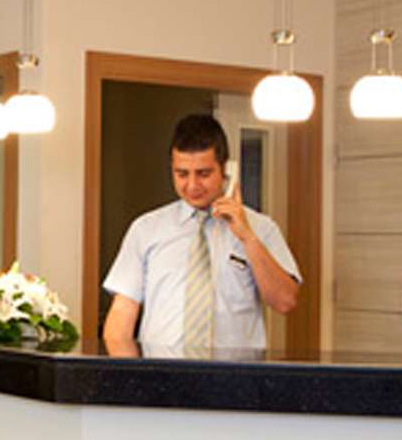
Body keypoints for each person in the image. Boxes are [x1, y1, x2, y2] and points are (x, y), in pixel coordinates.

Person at [101, 114, 301, 358]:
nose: (192, 185)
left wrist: (247, 237)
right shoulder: (145, 229)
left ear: (226, 169)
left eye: (204, 173)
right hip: (162, 374)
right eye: (182, 174)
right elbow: (120, 319)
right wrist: (132, 375)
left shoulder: (261, 228)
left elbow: (285, 301)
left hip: (235, 377)